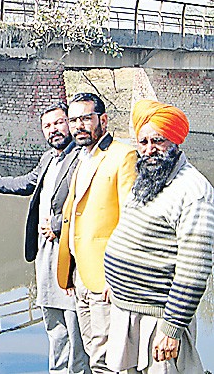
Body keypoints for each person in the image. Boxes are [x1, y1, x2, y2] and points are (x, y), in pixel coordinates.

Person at [104, 99, 213, 374]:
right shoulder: (147, 179)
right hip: (125, 308)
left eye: (159, 141)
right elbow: (128, 231)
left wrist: (172, 328)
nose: (149, 150)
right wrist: (113, 283)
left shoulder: (193, 190)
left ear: (176, 142)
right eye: (143, 142)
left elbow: (195, 268)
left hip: (158, 319)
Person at [0, 103, 90, 374]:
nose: (53, 129)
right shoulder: (48, 158)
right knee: (52, 320)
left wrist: (58, 224)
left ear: (71, 124)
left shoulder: (84, 158)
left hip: (71, 255)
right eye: (48, 126)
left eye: (59, 122)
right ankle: (57, 370)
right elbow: (28, 183)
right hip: (45, 255)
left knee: (75, 323)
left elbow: (87, 202)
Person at [57, 92, 137, 374]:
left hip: (106, 277)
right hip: (80, 274)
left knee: (107, 358)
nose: (78, 125)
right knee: (92, 349)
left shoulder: (123, 156)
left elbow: (130, 222)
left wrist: (118, 277)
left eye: (85, 118)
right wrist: (69, 270)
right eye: (73, 119)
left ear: (102, 119)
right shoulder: (82, 156)